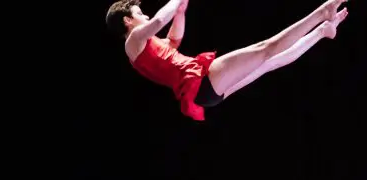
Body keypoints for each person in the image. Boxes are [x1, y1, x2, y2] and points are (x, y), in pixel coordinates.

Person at [105, 0, 349, 120]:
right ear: (127, 21)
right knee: (267, 48)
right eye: (138, 13)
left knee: (269, 62)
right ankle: (322, 12)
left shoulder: (143, 48)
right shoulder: (134, 40)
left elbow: (173, 41)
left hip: (205, 94)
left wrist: (180, 12)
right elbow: (158, 21)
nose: (144, 14)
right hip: (199, 82)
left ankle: (322, 31)